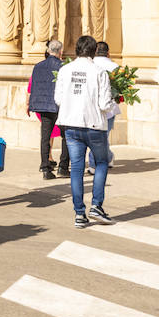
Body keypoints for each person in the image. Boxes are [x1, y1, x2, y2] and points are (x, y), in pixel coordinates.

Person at [55, 35, 117, 228]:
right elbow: (104, 103)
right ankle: (96, 205)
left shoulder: (65, 70)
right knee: (101, 163)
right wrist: (114, 100)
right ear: (93, 51)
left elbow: (58, 99)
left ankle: (79, 213)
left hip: (71, 125)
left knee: (77, 168)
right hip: (94, 125)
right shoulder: (99, 72)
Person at [26, 39, 69, 179]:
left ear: (49, 50)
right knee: (66, 137)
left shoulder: (37, 66)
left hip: (43, 106)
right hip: (59, 106)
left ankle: (45, 168)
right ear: (60, 51)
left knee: (45, 137)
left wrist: (31, 104)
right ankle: (63, 167)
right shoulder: (64, 66)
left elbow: (34, 87)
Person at [90, 41, 118, 173]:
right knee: (103, 136)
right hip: (109, 107)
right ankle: (105, 158)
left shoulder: (90, 65)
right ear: (108, 52)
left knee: (94, 136)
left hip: (91, 106)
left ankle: (94, 163)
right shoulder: (115, 67)